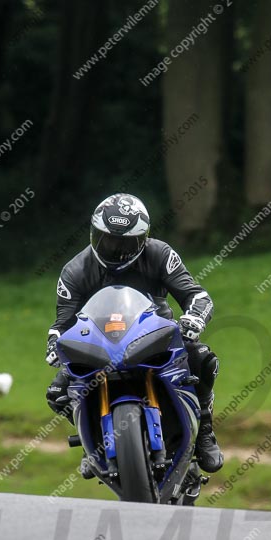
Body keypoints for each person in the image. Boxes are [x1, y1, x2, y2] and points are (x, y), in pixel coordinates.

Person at [45, 193, 224, 474]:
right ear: (93, 234)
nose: (115, 249)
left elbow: (197, 296)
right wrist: (54, 341)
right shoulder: (75, 270)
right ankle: (92, 439)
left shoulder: (161, 254)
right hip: (99, 343)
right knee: (57, 392)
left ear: (143, 239)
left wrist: (193, 319)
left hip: (155, 336)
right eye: (107, 239)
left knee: (203, 359)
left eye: (125, 242)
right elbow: (63, 322)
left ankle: (204, 431)